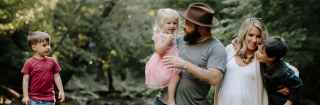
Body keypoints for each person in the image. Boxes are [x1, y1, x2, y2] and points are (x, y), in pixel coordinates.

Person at [163, 3, 226, 105]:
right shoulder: (181, 40)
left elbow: (214, 78)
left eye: (188, 24)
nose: (184, 27)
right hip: (163, 101)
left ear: (201, 28)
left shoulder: (216, 48)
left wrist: (184, 65)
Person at [215, 17, 269, 105]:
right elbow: (215, 73)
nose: (254, 40)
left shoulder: (262, 57)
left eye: (258, 36)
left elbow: (284, 70)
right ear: (244, 34)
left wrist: (284, 87)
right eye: (251, 35)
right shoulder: (229, 50)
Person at [145, 8, 180, 105]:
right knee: (175, 76)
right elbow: (159, 50)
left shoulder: (174, 36)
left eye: (174, 23)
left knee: (174, 77)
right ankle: (171, 99)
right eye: (168, 23)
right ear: (161, 24)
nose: (172, 25)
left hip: (171, 61)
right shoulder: (160, 35)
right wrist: (167, 41)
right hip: (163, 63)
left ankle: (169, 98)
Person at [256, 37, 303, 105]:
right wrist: (277, 90)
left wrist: (289, 102)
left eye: (261, 53)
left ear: (271, 58)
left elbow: (298, 85)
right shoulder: (264, 63)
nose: (258, 53)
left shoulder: (285, 72)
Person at [21, 31, 65, 105]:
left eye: (49, 45)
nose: (48, 47)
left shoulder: (52, 61)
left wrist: (61, 90)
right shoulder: (29, 62)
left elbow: (57, 76)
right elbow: (25, 80)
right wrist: (25, 96)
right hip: (34, 99)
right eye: (44, 45)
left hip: (49, 99)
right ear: (34, 47)